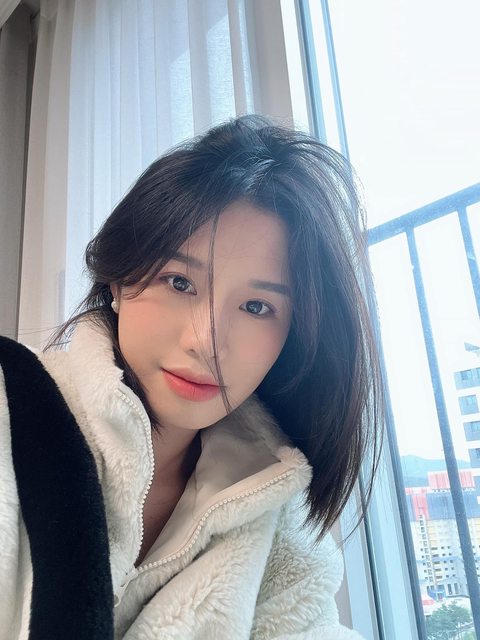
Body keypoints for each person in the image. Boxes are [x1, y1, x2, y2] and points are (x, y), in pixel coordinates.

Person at [0, 115, 383, 639]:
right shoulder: (7, 406)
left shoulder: (274, 509)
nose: (206, 341)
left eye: (256, 306)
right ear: (117, 281)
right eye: (179, 282)